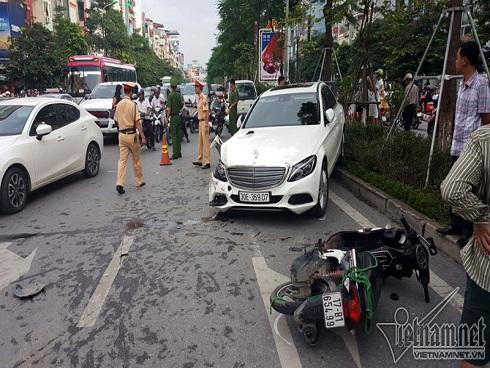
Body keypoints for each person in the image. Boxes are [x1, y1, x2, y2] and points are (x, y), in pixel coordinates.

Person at [440, 124, 490, 368]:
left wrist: (481, 218)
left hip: (487, 271)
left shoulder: (484, 138)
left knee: (474, 353)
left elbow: (451, 189)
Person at [438, 41, 490, 246]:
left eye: (457, 57)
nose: (455, 61)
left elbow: (487, 119)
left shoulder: (482, 84)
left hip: (473, 149)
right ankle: (456, 224)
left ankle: (470, 230)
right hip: (458, 144)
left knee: (469, 190)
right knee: (453, 185)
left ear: (465, 60)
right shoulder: (462, 84)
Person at [114, 82, 145, 194]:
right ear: (131, 92)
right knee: (136, 159)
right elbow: (137, 123)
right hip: (132, 135)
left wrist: (120, 131)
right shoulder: (133, 105)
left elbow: (116, 120)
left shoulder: (119, 104)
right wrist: (143, 136)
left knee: (122, 160)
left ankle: (120, 183)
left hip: (121, 136)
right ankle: (139, 181)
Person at [192, 80, 211, 169]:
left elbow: (207, 112)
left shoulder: (203, 98)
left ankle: (207, 161)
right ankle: (200, 159)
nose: (195, 89)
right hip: (200, 122)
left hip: (204, 122)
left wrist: (207, 125)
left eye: (196, 87)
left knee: (205, 142)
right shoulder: (199, 98)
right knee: (200, 142)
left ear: (199, 88)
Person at [166, 77, 184, 159]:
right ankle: (179, 152)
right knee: (178, 135)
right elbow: (181, 105)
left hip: (173, 117)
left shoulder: (170, 95)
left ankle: (175, 154)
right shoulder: (178, 95)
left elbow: (168, 108)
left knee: (174, 136)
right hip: (178, 116)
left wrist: (167, 118)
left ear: (170, 86)